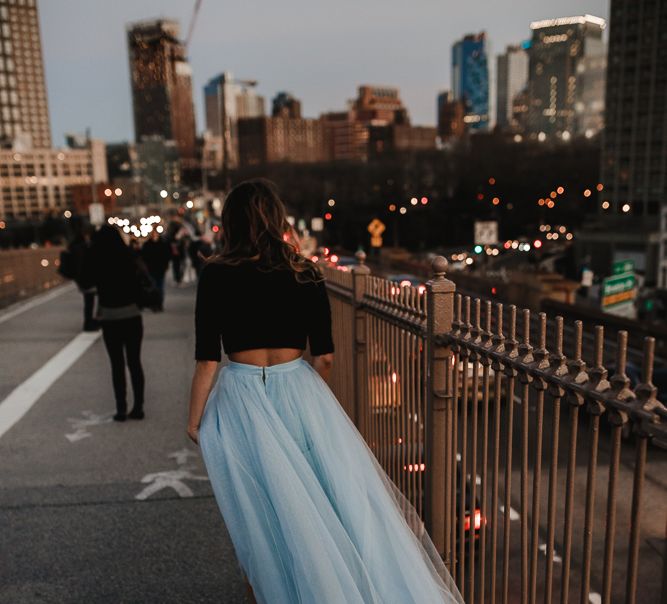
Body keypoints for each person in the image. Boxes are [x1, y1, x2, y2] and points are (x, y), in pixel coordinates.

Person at [187, 179, 463, 604]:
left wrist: (194, 420)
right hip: (297, 386)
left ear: (231, 223)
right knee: (317, 502)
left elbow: (207, 359)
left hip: (242, 392)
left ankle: (268, 591)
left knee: (260, 513)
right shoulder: (307, 272)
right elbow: (326, 355)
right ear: (278, 220)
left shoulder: (216, 273)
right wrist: (314, 402)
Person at [82, 225, 145, 422]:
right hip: (132, 316)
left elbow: (85, 281)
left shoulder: (96, 259)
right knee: (134, 362)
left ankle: (121, 409)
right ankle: (139, 408)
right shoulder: (128, 256)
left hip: (110, 319)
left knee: (117, 365)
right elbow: (140, 282)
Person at [141, 230, 171, 310]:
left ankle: (159, 303)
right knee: (154, 286)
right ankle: (155, 303)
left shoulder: (162, 244)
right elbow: (144, 256)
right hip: (151, 268)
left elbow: (167, 255)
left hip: (160, 268)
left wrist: (166, 265)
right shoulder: (148, 244)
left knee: (160, 286)